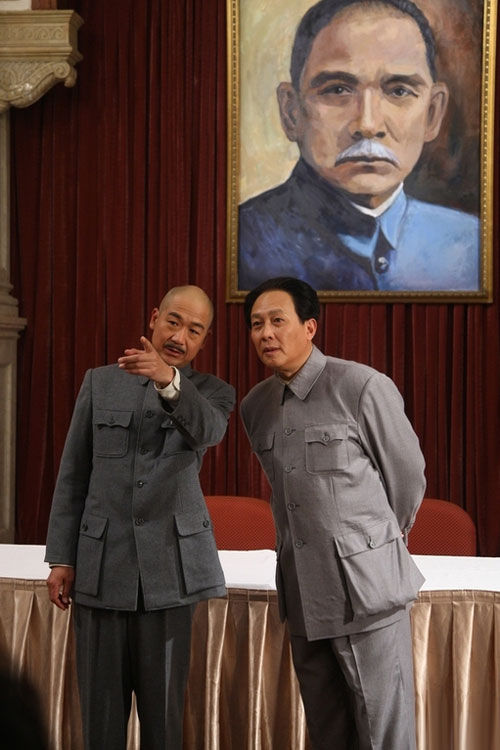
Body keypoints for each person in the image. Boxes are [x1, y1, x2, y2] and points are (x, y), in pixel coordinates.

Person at [45, 285, 235, 749]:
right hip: (101, 569)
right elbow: (74, 473)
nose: (180, 336)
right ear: (154, 318)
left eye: (194, 330)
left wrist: (169, 381)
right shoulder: (99, 382)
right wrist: (62, 558)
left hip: (169, 575)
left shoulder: (212, 393)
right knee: (100, 719)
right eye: (173, 321)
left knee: (163, 722)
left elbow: (208, 431)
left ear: (204, 341)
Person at [240, 276, 426, 749]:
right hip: (303, 591)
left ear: (310, 327)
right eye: (257, 324)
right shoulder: (255, 406)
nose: (266, 333)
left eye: (277, 321)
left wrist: (376, 549)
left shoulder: (361, 386)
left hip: (366, 591)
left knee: (384, 732)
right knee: (327, 730)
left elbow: (407, 477)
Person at [239, 0, 479, 292]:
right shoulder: (240, 242)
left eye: (399, 91)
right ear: (292, 113)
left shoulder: (471, 245)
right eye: (337, 90)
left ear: (432, 114)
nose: (368, 124)